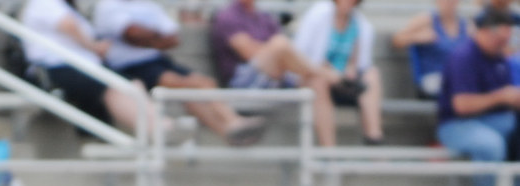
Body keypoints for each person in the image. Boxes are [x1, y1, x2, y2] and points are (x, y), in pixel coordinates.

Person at [92, 0, 266, 146]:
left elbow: (173, 38)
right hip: (132, 68)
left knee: (202, 85)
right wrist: (156, 37)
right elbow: (132, 33)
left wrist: (145, 38)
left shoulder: (146, 5)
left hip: (157, 62)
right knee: (193, 85)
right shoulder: (108, 5)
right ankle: (233, 123)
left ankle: (230, 129)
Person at [20, 0, 160, 139]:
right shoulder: (44, 3)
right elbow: (69, 26)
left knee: (133, 84)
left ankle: (161, 128)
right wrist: (94, 47)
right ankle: (157, 132)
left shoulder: (66, 6)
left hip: (84, 67)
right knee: (112, 88)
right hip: (57, 70)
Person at [210, 0, 338, 147]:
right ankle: (329, 75)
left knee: (317, 82)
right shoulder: (228, 16)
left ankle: (329, 154)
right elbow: (250, 52)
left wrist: (282, 58)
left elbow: (288, 53)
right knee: (279, 45)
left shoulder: (264, 17)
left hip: (277, 78)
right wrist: (278, 54)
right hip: (243, 83)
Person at [437, 4, 520, 186]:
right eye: (500, 38)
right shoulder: (464, 57)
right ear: (486, 31)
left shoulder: (499, 57)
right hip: (457, 125)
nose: (503, 43)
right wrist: (501, 96)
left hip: (496, 121)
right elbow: (462, 106)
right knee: (490, 145)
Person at [292, 0, 384, 145]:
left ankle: (374, 137)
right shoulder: (318, 15)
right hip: (315, 77)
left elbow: (362, 64)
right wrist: (328, 72)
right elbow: (299, 57)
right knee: (318, 82)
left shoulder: (361, 24)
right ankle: (329, 151)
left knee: (372, 74)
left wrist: (350, 71)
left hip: (343, 83)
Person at [391, 0, 468, 100]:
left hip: (458, 77)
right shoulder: (426, 20)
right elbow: (396, 40)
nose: (449, 2)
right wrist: (417, 37)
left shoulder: (466, 25)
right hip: (434, 77)